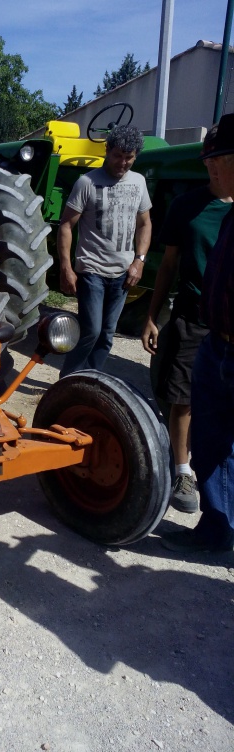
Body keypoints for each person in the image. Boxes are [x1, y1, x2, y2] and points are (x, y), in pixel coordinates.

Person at [142, 126, 232, 513]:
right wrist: (151, 315)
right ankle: (183, 470)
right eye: (208, 161)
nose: (212, 167)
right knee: (182, 396)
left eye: (221, 160)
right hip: (195, 317)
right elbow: (169, 266)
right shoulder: (187, 207)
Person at [161, 112, 234, 553]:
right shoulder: (223, 216)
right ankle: (215, 530)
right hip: (214, 342)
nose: (211, 166)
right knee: (212, 439)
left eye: (218, 159)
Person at [58, 125, 152, 376]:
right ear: (107, 152)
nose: (123, 162)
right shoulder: (87, 182)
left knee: (108, 333)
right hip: (92, 270)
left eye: (129, 157)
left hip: (123, 273)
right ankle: (68, 380)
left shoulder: (139, 182)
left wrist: (139, 261)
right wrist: (66, 267)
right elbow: (66, 225)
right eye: (118, 155)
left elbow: (145, 223)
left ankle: (90, 380)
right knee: (91, 330)